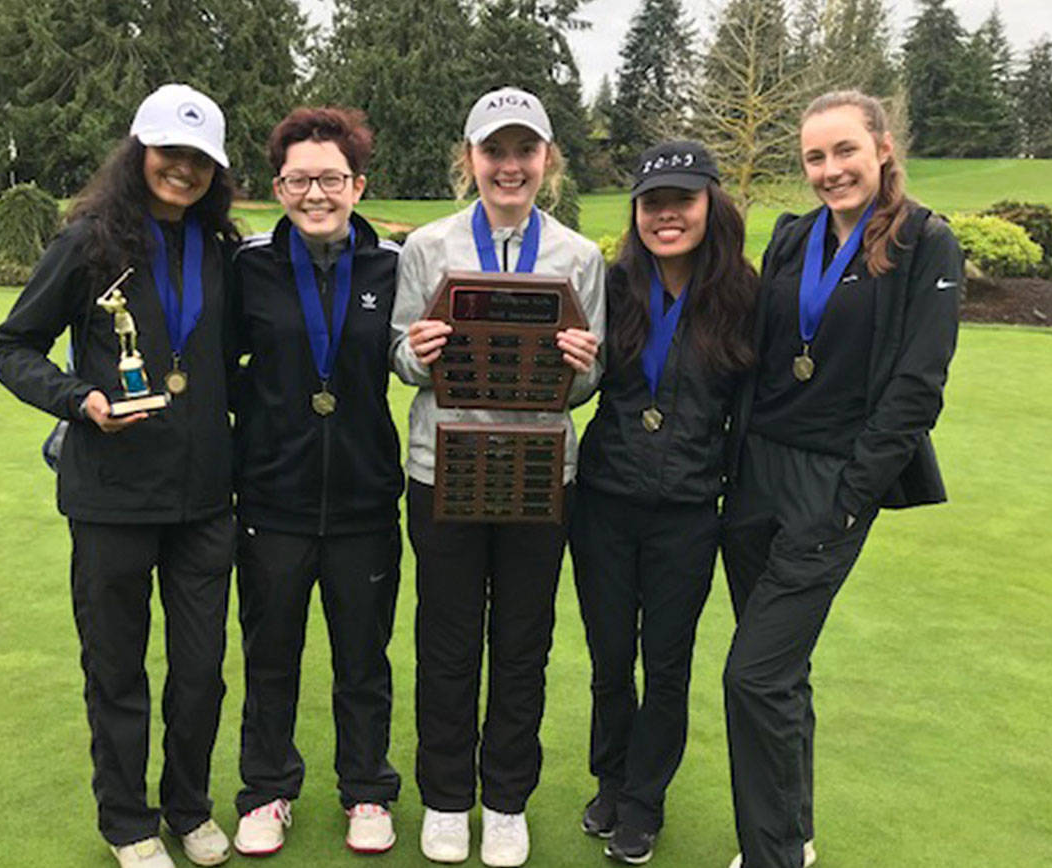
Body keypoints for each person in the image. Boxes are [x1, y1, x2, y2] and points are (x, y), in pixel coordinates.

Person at [0, 84, 239, 868]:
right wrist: (78, 399)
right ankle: (128, 822)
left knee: (200, 673)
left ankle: (189, 807)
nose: (184, 169)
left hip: (205, 500)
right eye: (170, 152)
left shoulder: (224, 248)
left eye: (200, 159)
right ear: (139, 153)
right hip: (111, 499)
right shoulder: (88, 241)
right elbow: (14, 346)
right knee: (117, 671)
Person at [721, 90, 962, 868]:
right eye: (815, 158)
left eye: (845, 152)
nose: (830, 171)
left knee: (753, 677)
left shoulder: (927, 242)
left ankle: (773, 855)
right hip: (756, 474)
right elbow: (754, 349)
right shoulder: (794, 237)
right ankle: (793, 833)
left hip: (832, 486)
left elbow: (917, 389)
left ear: (883, 147)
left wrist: (852, 496)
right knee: (780, 675)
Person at [389, 86, 605, 867]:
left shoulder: (579, 256)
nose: (508, 166)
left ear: (546, 161)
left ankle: (506, 800)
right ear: (470, 159)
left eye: (524, 151)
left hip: (540, 473)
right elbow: (400, 358)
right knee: (446, 640)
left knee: (523, 641)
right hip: (441, 466)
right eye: (494, 151)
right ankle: (448, 800)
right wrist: (421, 349)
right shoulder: (428, 246)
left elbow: (584, 384)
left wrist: (583, 368)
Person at [569, 141, 757, 865]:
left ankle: (646, 802)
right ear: (637, 212)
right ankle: (611, 781)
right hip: (606, 502)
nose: (667, 215)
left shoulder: (743, 295)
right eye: (652, 202)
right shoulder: (612, 286)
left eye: (682, 200)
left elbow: (750, 412)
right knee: (611, 660)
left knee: (667, 663)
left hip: (686, 511)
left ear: (712, 204)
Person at [227, 107, 404, 856]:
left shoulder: (395, 266)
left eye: (331, 177)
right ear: (278, 186)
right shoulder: (251, 266)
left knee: (364, 657)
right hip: (274, 498)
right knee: (271, 656)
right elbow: (216, 373)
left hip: (365, 497)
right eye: (299, 179)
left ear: (357, 183)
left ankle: (367, 790)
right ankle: (267, 790)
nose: (316, 193)